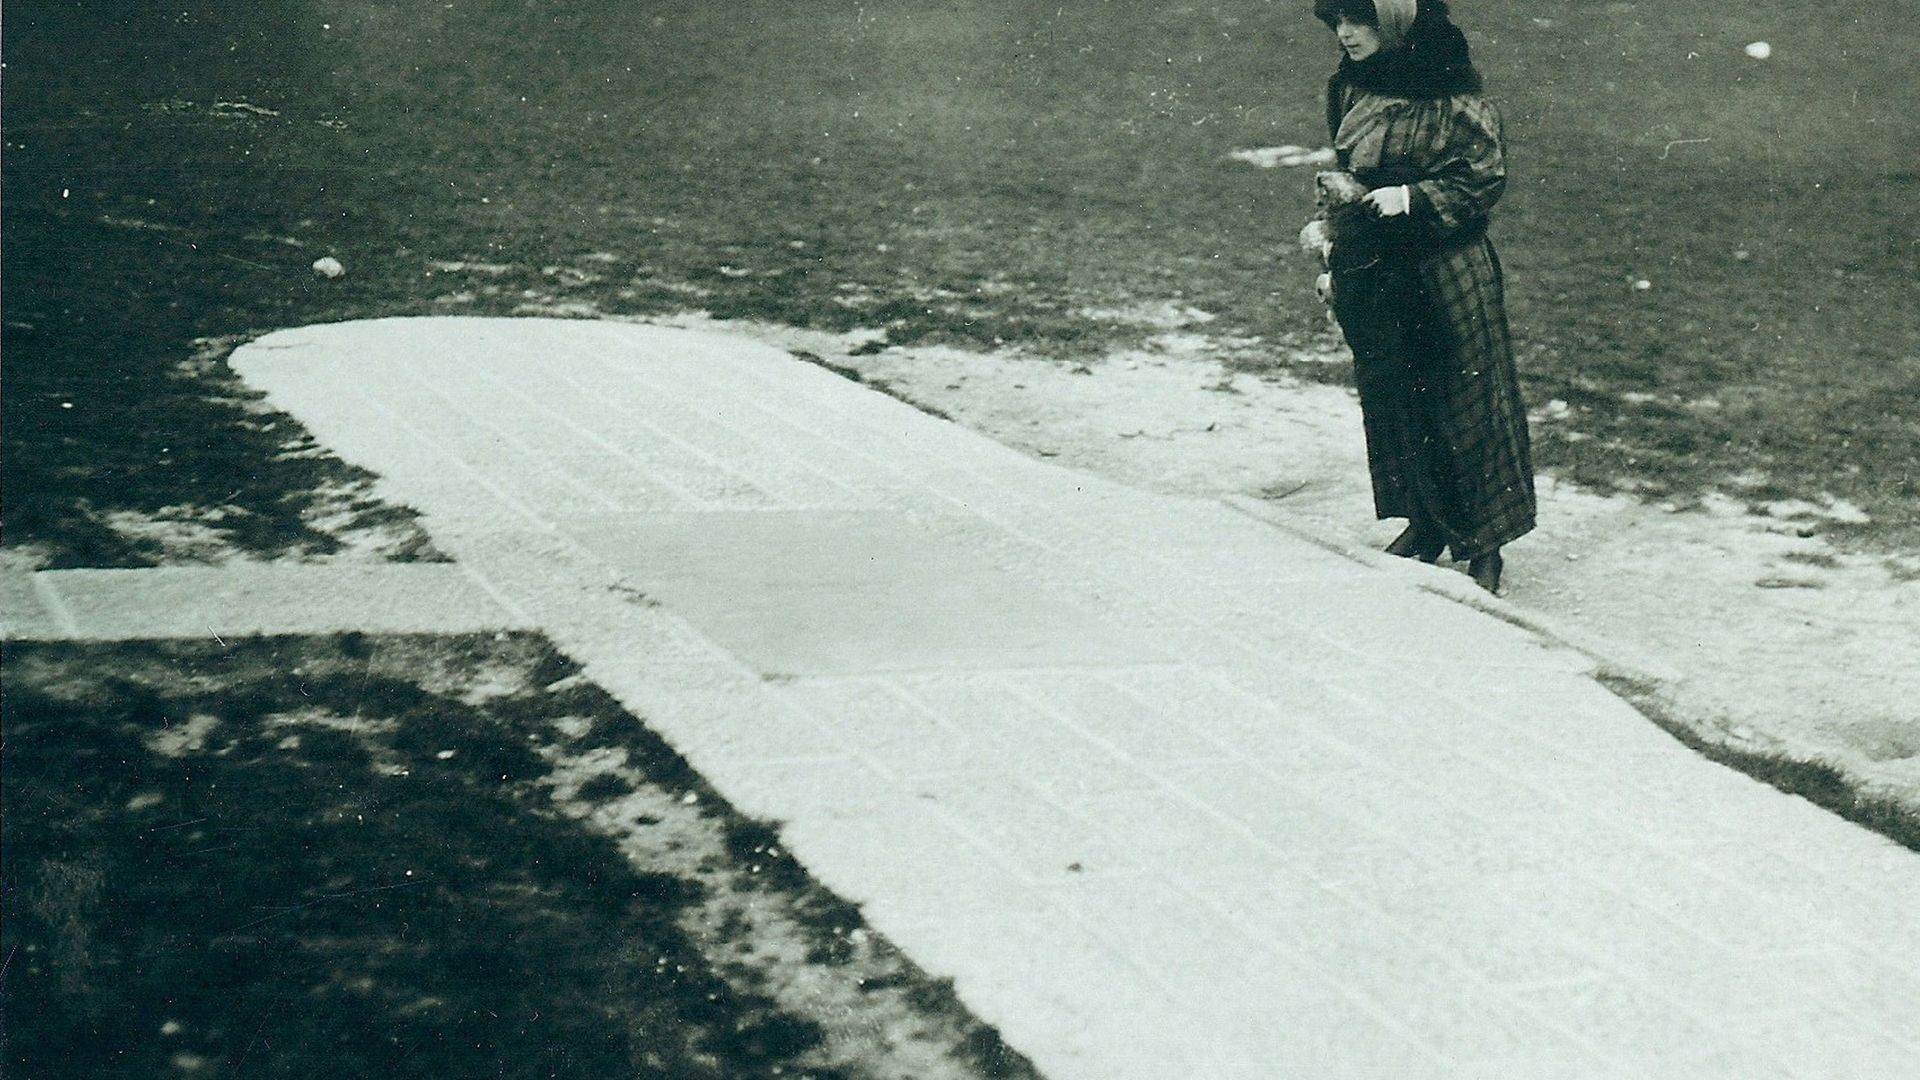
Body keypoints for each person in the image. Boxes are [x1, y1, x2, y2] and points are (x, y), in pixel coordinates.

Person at [1310, 0, 1535, 593]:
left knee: (1467, 398)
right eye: (1337, 22)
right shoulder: (1351, 87)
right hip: (1378, 264)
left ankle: (1485, 543)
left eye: (1359, 21)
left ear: (1397, 21)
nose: (1346, 34)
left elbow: (1484, 175)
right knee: (1394, 396)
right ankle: (1423, 524)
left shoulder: (1453, 92)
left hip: (1446, 263)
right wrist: (1332, 227)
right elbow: (1345, 166)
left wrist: (1412, 197)